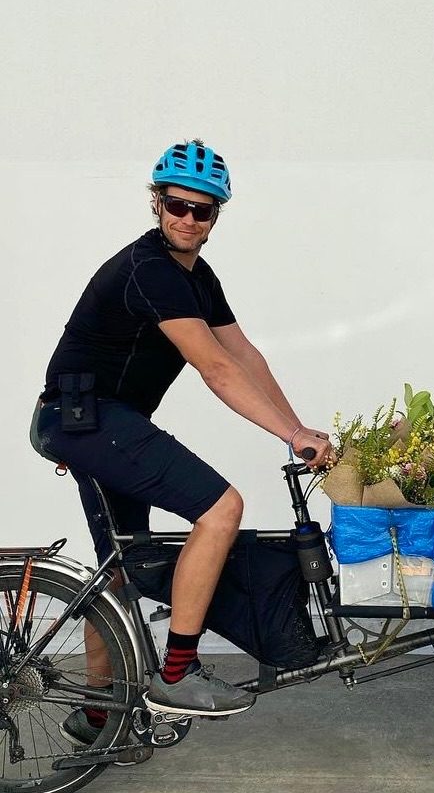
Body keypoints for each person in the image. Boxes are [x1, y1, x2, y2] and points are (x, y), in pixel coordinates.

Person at [31, 139, 333, 744]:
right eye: (176, 205)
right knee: (221, 507)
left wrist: (298, 430)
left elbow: (242, 354)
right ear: (156, 202)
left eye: (203, 210)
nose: (187, 219)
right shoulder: (152, 273)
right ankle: (177, 672)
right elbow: (214, 369)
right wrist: (290, 433)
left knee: (120, 568)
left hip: (92, 421)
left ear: (217, 215)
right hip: (88, 419)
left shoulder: (194, 275)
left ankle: (97, 714)